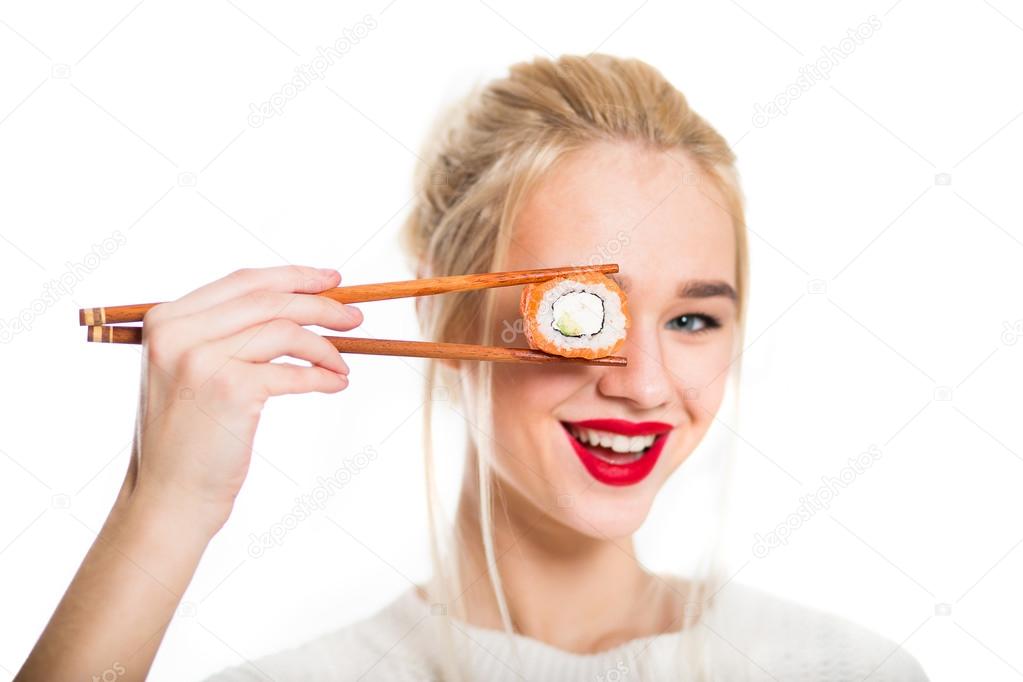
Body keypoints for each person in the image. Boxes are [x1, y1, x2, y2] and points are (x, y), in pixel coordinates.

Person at [17, 54, 929, 681]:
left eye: (692, 317)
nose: (646, 384)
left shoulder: (843, 670)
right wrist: (164, 510)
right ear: (441, 313)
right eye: (586, 315)